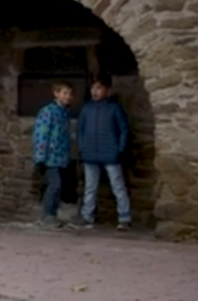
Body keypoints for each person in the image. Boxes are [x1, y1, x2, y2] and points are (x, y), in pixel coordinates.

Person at [75, 73, 132, 231]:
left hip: (110, 153)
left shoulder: (115, 108)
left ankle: (124, 217)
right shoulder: (87, 108)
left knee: (117, 186)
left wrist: (119, 149)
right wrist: (82, 147)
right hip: (90, 153)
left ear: (107, 90)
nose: (95, 91)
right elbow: (81, 130)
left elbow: (124, 130)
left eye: (99, 88)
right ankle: (87, 216)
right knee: (90, 187)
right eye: (93, 87)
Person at [32, 81, 74, 228]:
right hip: (50, 157)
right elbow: (41, 134)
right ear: (56, 93)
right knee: (54, 185)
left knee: (58, 186)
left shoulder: (64, 113)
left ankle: (52, 214)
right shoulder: (48, 112)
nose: (68, 97)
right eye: (64, 93)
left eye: (70, 94)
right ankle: (47, 215)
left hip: (61, 157)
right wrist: (40, 157)